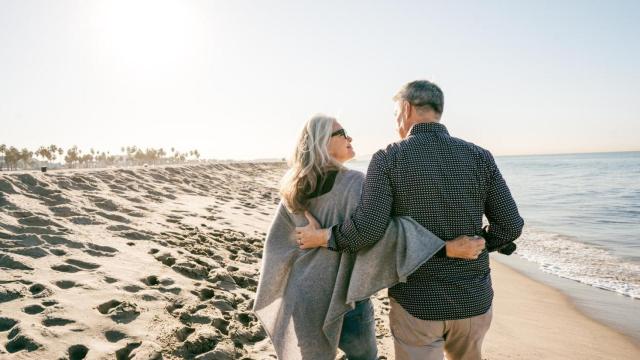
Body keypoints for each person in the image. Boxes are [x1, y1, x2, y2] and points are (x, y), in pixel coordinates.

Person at [296, 80, 524, 360]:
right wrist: (479, 244)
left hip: (418, 303)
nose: (395, 122)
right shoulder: (479, 156)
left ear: (405, 109)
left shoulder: (388, 158)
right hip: (473, 299)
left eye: (395, 114)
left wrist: (326, 237)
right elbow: (511, 225)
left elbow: (367, 230)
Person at [253, 114, 484, 360]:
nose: (349, 137)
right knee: (365, 357)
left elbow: (277, 245)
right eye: (341, 133)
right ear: (321, 142)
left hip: (303, 295)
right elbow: (384, 233)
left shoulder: (293, 187)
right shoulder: (354, 183)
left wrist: (309, 245)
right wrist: (445, 247)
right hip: (345, 296)